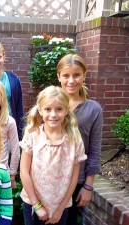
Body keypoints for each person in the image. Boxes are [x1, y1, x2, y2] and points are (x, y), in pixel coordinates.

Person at [20, 86, 87, 225]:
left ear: (66, 110)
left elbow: (74, 177)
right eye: (48, 109)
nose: (53, 114)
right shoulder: (33, 135)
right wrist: (37, 205)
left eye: (59, 109)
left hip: (60, 208)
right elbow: (24, 172)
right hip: (33, 205)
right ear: (40, 110)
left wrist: (60, 211)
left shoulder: (74, 139)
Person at [57, 53, 103, 225]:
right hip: (49, 178)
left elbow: (94, 150)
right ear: (59, 76)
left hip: (77, 181)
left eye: (76, 75)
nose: (71, 81)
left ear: (84, 75)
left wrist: (88, 186)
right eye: (66, 75)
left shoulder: (93, 109)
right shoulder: (50, 104)